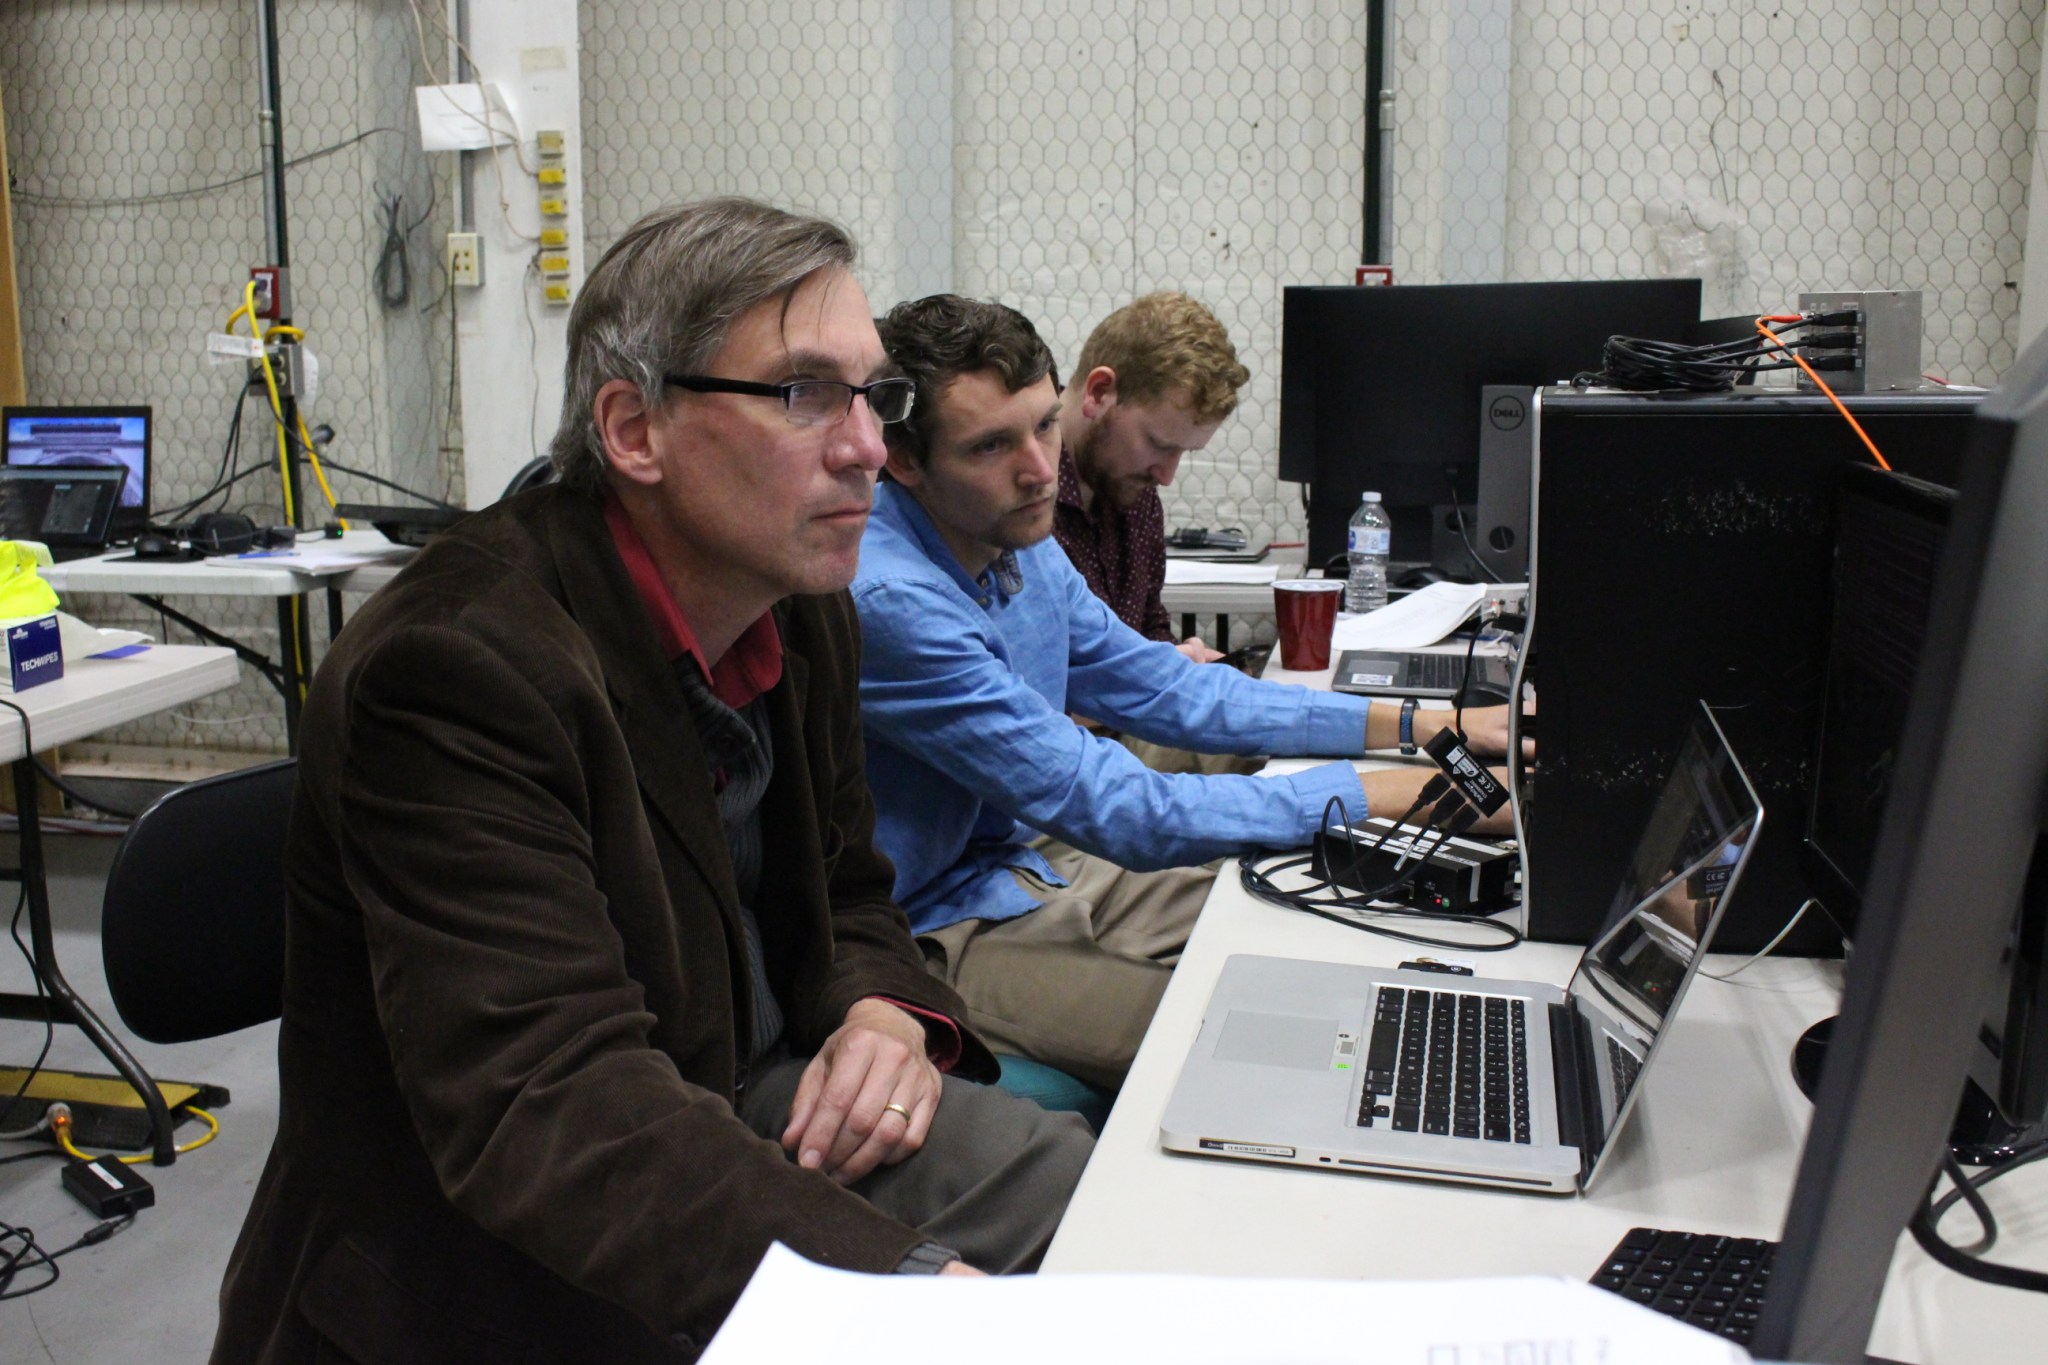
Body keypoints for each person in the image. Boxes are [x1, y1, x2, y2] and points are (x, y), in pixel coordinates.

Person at [213, 203, 1091, 1364]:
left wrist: (881, 1008)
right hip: (493, 1256)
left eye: (873, 397)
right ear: (634, 429)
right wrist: (904, 1297)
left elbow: (849, 885)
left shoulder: (801, 600)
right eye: (803, 394)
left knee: (1101, 1206)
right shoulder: (458, 667)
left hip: (746, 1100)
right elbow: (551, 1102)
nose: (868, 449)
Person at [853, 294, 1515, 1090]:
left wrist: (1430, 723)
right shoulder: (893, 599)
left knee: (1295, 917)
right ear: (903, 458)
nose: (1037, 469)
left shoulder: (1017, 543)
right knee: (1246, 1041)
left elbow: (1174, 690)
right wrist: (1391, 789)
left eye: (1042, 426)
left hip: (1023, 860)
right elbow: (1119, 807)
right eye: (993, 444)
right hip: (933, 926)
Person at [1052, 292, 1248, 665]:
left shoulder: (1132, 487)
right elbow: (1027, 686)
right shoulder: (1021, 494)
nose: (1166, 475)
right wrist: (1153, 675)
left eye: (1183, 453)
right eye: (1158, 444)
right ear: (1099, 392)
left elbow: (1148, 626)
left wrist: (1186, 659)